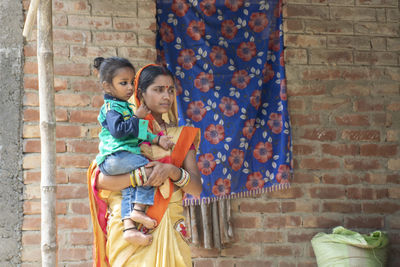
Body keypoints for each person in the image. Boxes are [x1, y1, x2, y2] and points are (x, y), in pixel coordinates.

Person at [87, 64, 202, 267]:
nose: (166, 96)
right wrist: (138, 177)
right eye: (158, 89)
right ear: (141, 93)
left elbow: (196, 188)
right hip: (129, 235)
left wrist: (173, 172)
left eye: (171, 90)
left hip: (170, 227)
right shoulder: (124, 134)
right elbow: (101, 180)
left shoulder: (182, 136)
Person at [93, 57, 175, 246]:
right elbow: (120, 131)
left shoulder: (124, 107)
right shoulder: (112, 108)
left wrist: (158, 139)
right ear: (107, 86)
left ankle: (129, 228)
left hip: (121, 157)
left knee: (131, 185)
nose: (129, 87)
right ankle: (138, 210)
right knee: (150, 170)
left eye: (131, 83)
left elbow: (138, 132)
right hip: (116, 157)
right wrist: (136, 116)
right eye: (123, 83)